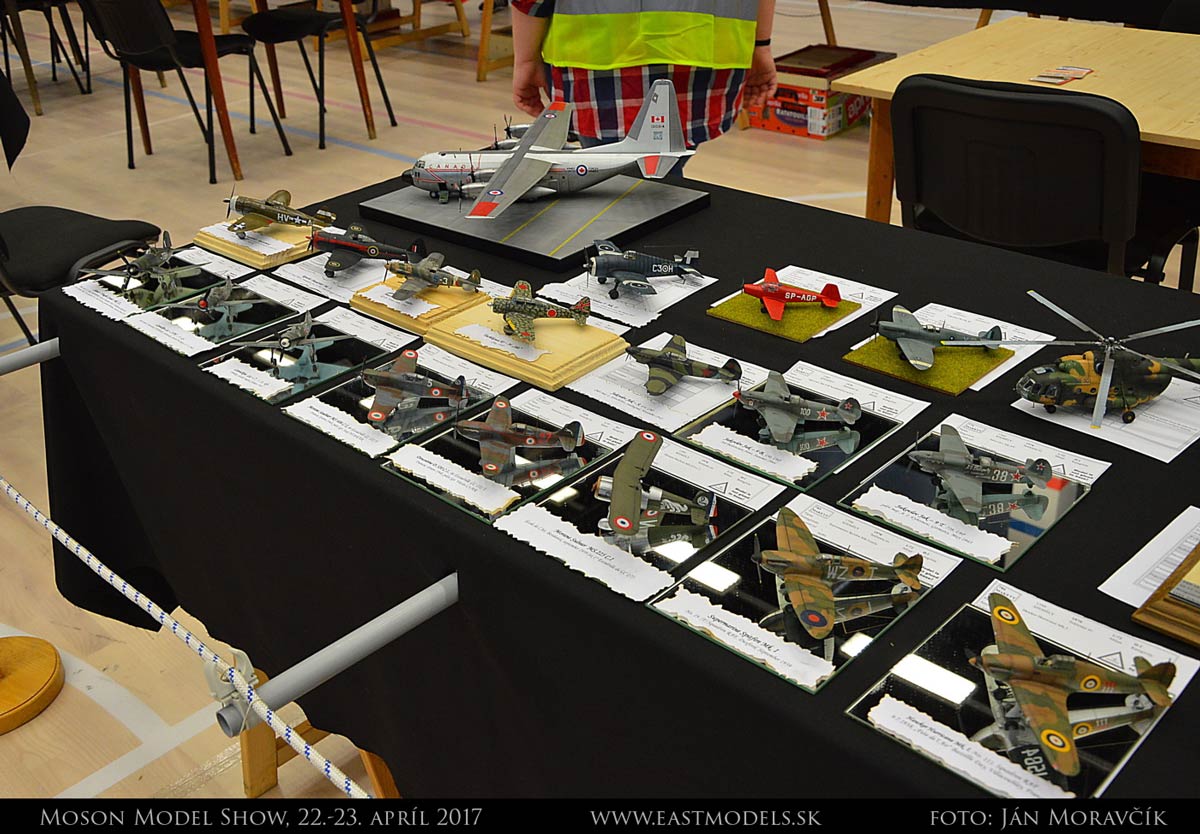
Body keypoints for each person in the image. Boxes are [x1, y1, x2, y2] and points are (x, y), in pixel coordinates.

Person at [510, 0, 777, 151]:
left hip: (600, 64)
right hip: (705, 54)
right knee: (658, 186)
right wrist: (761, 45)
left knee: (618, 195)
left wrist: (526, 59)